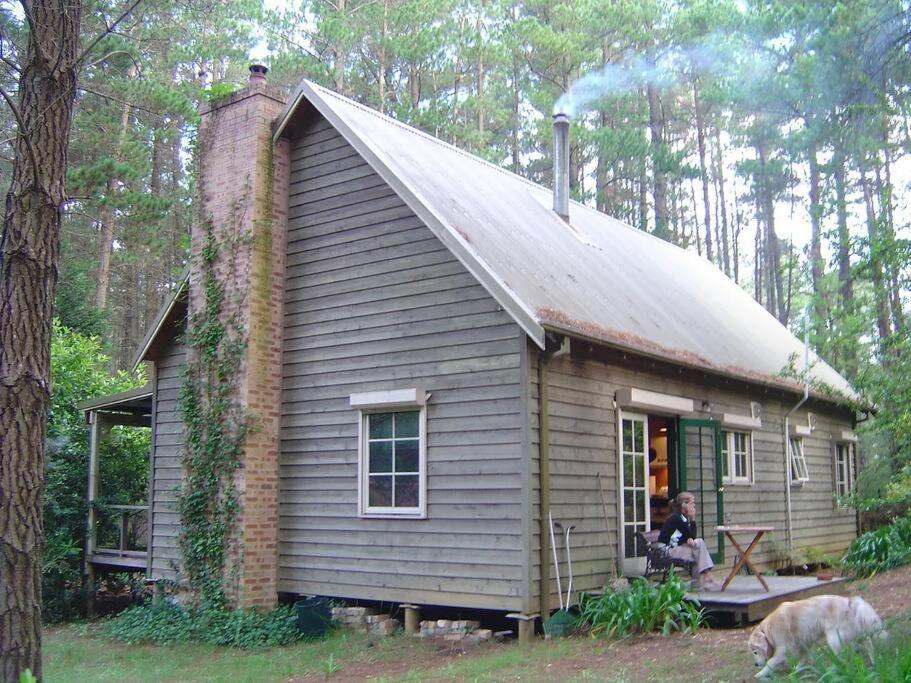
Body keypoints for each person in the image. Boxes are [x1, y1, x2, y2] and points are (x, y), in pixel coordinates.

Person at [658, 491, 721, 591]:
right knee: (698, 546)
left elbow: (686, 536)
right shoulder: (676, 518)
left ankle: (702, 582)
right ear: (684, 505)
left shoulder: (681, 518)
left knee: (697, 548)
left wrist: (689, 539)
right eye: (692, 503)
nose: (694, 505)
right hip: (665, 551)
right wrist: (692, 519)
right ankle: (706, 577)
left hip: (674, 548)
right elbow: (692, 535)